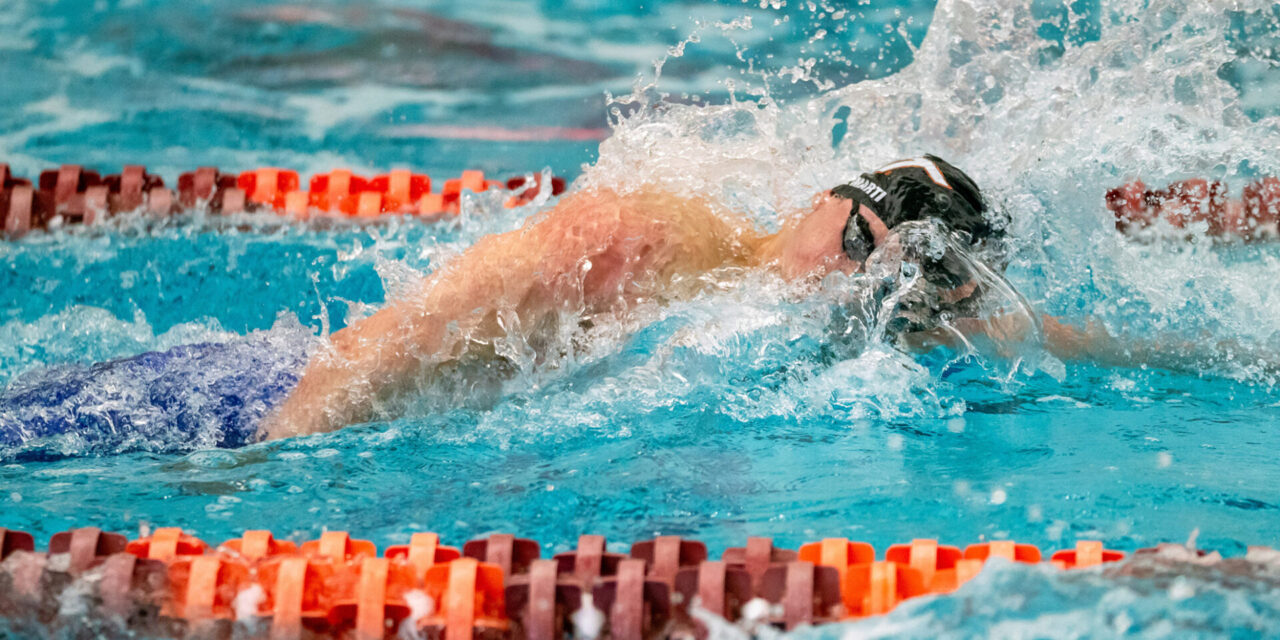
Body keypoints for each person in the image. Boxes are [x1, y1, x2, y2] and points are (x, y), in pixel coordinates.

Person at [0, 155, 1155, 455]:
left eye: (892, 274)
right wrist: (265, 458)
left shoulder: (846, 323)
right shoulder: (649, 237)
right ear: (822, 200)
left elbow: (1071, 342)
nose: (849, 276)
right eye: (855, 236)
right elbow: (407, 331)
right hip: (251, 402)